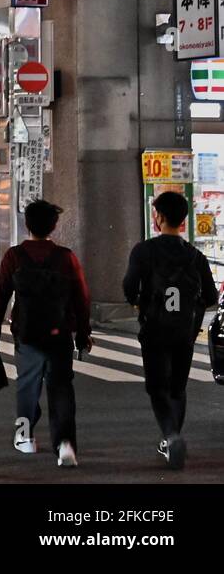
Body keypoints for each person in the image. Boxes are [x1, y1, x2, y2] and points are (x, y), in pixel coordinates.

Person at [0, 199, 92, 468]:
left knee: (26, 386)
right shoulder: (66, 257)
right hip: (60, 335)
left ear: (27, 224)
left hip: (26, 334)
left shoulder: (14, 256)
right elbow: (81, 298)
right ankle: (65, 443)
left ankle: (25, 436)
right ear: (54, 226)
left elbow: (0, 296)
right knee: (61, 388)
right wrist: (83, 333)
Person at [122, 190, 216, 470]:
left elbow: (129, 287)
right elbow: (210, 296)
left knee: (157, 387)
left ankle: (171, 435)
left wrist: (139, 302)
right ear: (183, 221)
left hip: (155, 329)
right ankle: (171, 437)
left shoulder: (144, 251)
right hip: (184, 331)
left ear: (159, 218)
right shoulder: (195, 256)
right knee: (177, 387)